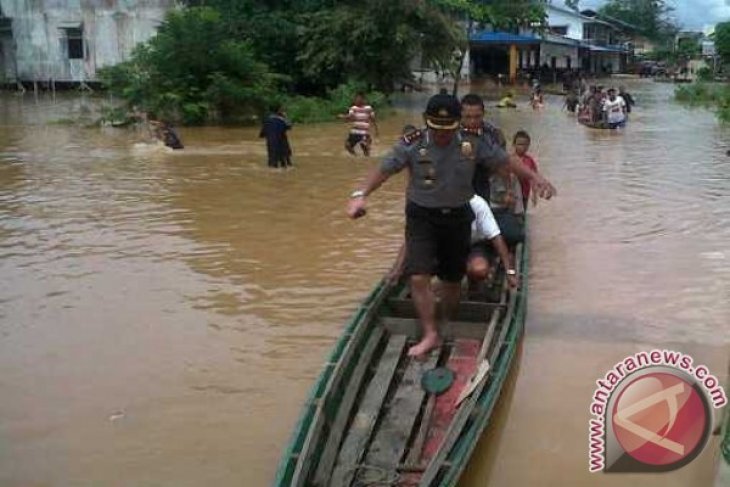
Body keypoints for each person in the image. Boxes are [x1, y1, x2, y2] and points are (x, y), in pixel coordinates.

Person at [346, 93, 512, 358]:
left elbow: (505, 168)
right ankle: (431, 331)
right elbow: (386, 169)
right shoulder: (415, 145)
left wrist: (511, 270)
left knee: (455, 279)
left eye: (473, 117)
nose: (443, 134)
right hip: (427, 213)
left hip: (461, 214)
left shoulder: (479, 145)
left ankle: (447, 318)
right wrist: (360, 195)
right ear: (426, 122)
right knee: (418, 275)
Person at [459, 93, 555, 204]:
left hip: (482, 192)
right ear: (459, 115)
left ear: (483, 114)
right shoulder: (453, 134)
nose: (472, 122)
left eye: (477, 117)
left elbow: (504, 163)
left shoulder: (492, 134)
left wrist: (533, 178)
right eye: (468, 117)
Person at [466, 194, 518, 289]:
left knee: (479, 269)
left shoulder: (477, 203)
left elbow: (496, 237)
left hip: (474, 245)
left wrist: (510, 272)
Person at [512, 130, 539, 209]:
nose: (522, 147)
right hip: (513, 194)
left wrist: (534, 195)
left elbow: (534, 178)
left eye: (525, 145)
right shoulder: (510, 159)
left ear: (528, 146)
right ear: (514, 145)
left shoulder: (530, 160)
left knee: (522, 214)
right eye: (520, 144)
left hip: (525, 194)